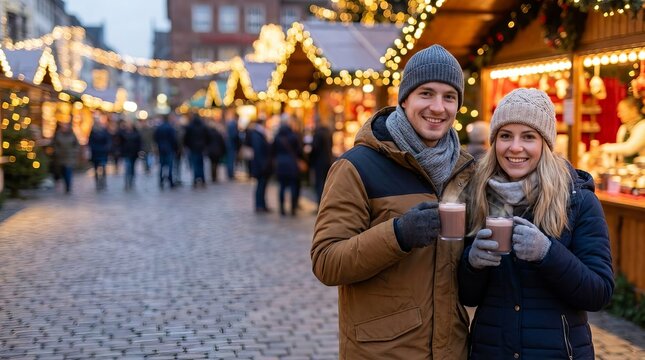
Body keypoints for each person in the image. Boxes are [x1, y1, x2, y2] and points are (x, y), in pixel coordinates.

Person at [311, 45, 475, 359]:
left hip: (450, 349)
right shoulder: (357, 167)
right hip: (383, 351)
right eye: (426, 93)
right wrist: (398, 234)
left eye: (449, 97)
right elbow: (326, 262)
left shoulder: (465, 171)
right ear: (404, 99)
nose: (438, 107)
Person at [458, 88, 614, 359]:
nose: (515, 147)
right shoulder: (479, 196)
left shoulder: (578, 201)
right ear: (495, 142)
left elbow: (598, 293)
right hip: (492, 351)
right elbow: (468, 297)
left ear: (545, 143)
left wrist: (548, 253)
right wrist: (473, 264)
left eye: (528, 137)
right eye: (506, 136)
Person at [271, 116, 302, 216]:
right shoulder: (293, 136)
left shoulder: (277, 137)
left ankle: (282, 209)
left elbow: (273, 151)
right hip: (292, 164)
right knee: (293, 186)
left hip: (280, 165)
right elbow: (299, 151)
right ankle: (293, 208)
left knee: (282, 187)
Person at [600, 97, 645, 163]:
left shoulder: (643, 126)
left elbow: (629, 148)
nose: (619, 115)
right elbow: (620, 153)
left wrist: (604, 148)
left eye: (622, 111)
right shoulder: (623, 128)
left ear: (634, 110)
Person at [245, 117, 272, 213]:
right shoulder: (257, 134)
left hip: (261, 164)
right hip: (261, 165)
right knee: (260, 185)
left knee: (262, 185)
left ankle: (262, 204)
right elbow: (258, 151)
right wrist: (263, 165)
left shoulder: (259, 134)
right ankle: (259, 205)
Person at [309, 116, 334, 205]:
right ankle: (325, 203)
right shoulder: (328, 132)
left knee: (319, 183)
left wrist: (310, 159)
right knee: (326, 183)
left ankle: (320, 204)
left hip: (319, 162)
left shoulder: (318, 133)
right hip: (328, 160)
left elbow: (314, 148)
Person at [52, 121, 79, 194]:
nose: (64, 128)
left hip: (70, 156)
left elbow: (76, 144)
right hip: (60, 157)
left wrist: (74, 151)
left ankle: (68, 186)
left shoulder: (72, 135)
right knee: (63, 171)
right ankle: (65, 184)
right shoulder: (58, 134)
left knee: (68, 170)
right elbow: (54, 144)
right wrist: (57, 151)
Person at [183, 113, 210, 188]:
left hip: (193, 147)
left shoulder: (190, 126)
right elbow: (207, 136)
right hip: (201, 147)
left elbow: (186, 137)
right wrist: (205, 145)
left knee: (195, 164)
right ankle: (202, 179)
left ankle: (195, 179)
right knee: (201, 164)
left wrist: (187, 145)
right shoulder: (203, 126)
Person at [88, 113, 111, 190]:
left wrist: (106, 148)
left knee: (103, 167)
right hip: (95, 152)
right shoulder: (93, 131)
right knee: (96, 168)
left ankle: (103, 181)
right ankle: (97, 182)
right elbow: (90, 142)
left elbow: (108, 140)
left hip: (103, 152)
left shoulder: (104, 131)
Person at [154, 115, 178, 189]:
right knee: (170, 166)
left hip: (161, 149)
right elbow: (174, 139)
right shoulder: (171, 128)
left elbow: (155, 138)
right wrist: (175, 148)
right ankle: (170, 181)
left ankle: (161, 181)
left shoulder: (159, 128)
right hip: (169, 149)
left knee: (161, 165)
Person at [119, 120, 142, 190]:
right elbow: (119, 142)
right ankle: (126, 181)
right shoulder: (122, 133)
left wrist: (140, 151)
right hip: (126, 153)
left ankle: (132, 180)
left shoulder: (136, 133)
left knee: (132, 168)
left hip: (134, 153)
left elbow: (139, 143)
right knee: (127, 167)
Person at [225, 112, 241, 180]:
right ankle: (230, 173)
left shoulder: (230, 123)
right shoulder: (233, 124)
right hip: (232, 144)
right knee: (231, 159)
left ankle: (230, 173)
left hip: (230, 143)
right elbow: (234, 135)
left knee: (230, 159)